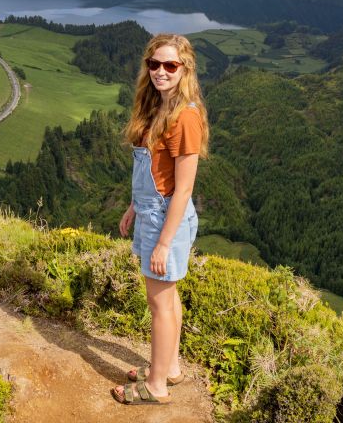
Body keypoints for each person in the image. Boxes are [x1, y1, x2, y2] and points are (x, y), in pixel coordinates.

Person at [111, 33, 209, 406]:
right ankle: (169, 368)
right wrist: (135, 205)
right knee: (168, 298)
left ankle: (155, 386)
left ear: (185, 69)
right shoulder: (160, 107)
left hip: (166, 218)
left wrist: (164, 242)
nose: (160, 72)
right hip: (152, 212)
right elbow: (155, 171)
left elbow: (183, 190)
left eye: (170, 65)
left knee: (159, 305)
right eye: (154, 64)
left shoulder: (184, 116)